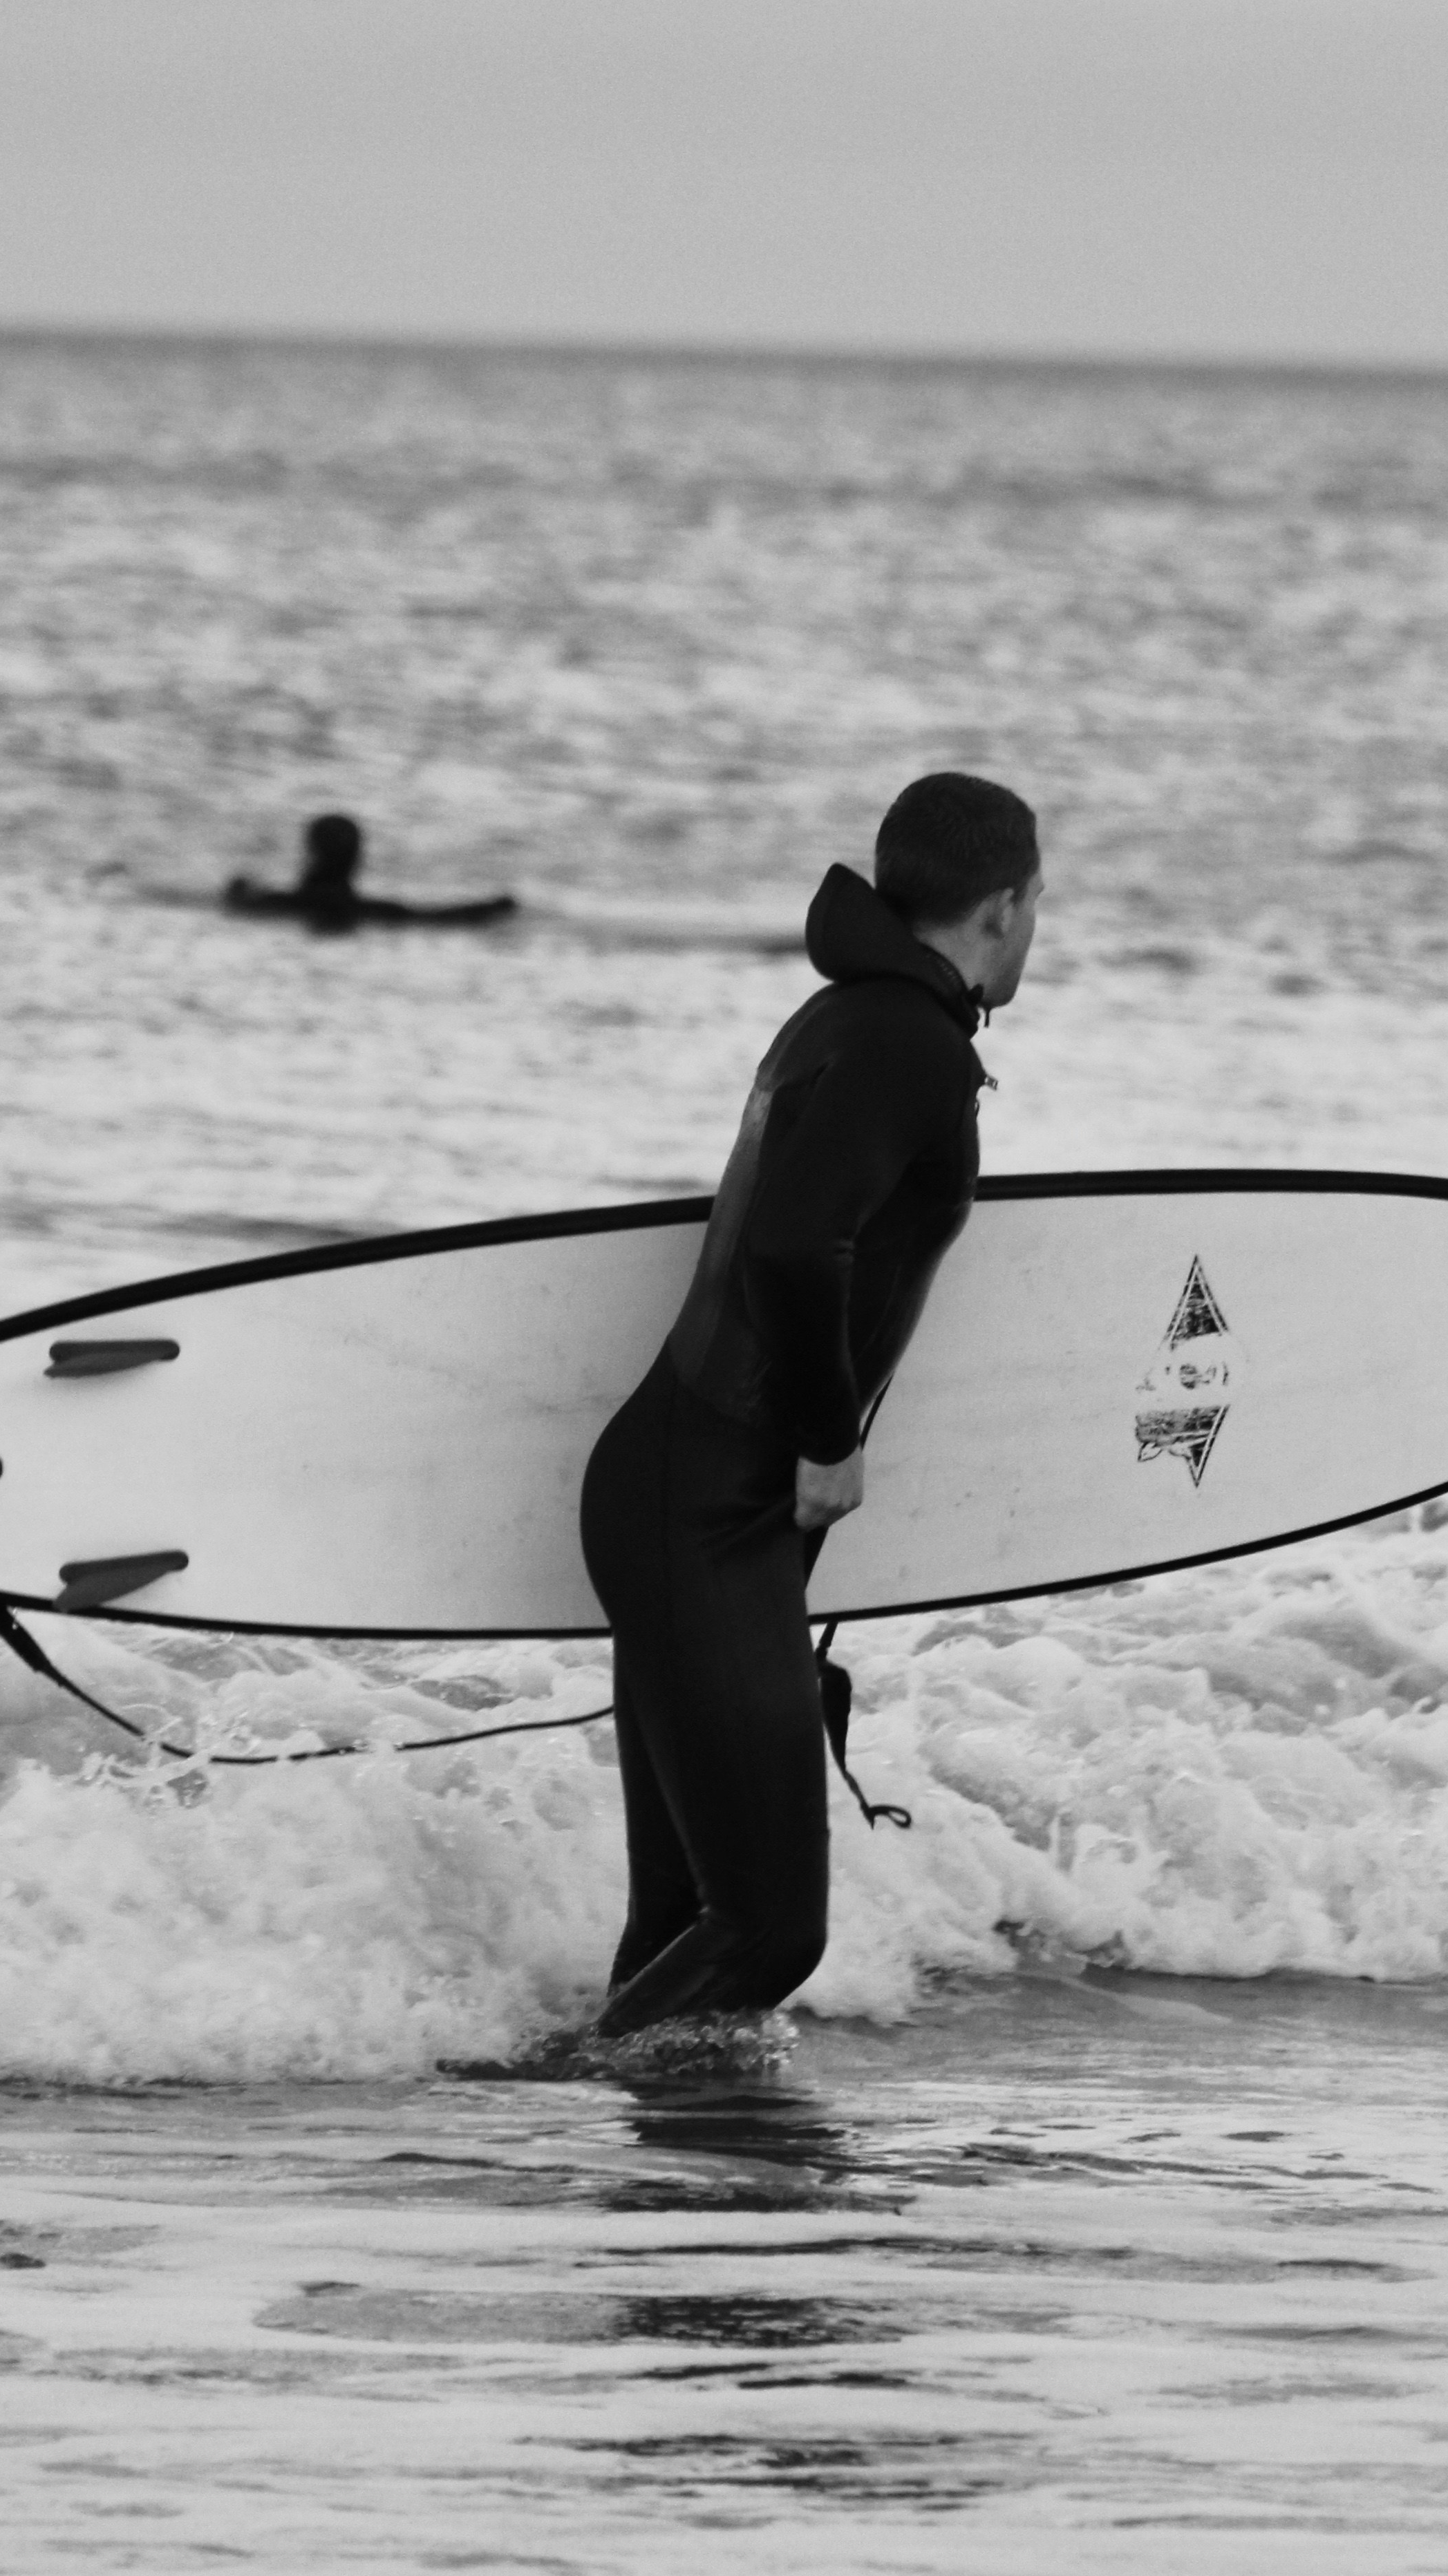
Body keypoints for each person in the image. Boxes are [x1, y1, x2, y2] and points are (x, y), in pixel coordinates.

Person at [579, 770, 1042, 2037]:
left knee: (688, 1919)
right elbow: (793, 1246)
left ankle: (642, 2189)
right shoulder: (907, 1041)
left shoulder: (844, 1018)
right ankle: (546, 2109)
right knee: (770, 1926)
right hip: (707, 1513)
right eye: (1038, 901)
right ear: (1005, 904)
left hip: (687, 1491)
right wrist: (830, 1441)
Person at [221, 813, 516, 934]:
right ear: (358, 857)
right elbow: (433, 917)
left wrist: (237, 889)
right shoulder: (380, 910)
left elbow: (237, 901)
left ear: (310, 850)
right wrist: (490, 907)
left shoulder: (276, 902)